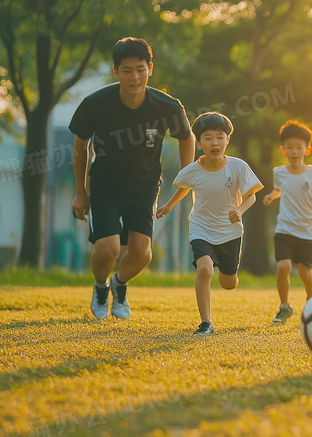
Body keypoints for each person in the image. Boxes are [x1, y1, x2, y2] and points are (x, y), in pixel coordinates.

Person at [70, 37, 194, 320]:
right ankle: (101, 287)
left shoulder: (167, 106)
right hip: (105, 185)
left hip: (145, 186)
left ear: (150, 68)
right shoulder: (96, 104)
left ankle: (119, 284)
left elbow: (187, 138)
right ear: (115, 71)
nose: (134, 76)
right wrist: (80, 191)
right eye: (126, 70)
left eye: (140, 69)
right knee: (108, 249)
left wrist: (187, 176)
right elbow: (80, 145)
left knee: (141, 253)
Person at [156, 112, 263, 335]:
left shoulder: (238, 166)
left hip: (230, 231)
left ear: (227, 140)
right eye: (208, 137)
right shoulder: (192, 170)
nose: (214, 142)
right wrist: (169, 205)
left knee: (228, 283)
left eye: (219, 137)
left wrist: (239, 210)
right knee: (204, 269)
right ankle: (206, 323)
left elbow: (252, 195)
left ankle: (230, 272)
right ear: (198, 142)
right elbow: (184, 186)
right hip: (201, 228)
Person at [263, 120, 312, 324]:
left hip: (309, 232)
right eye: (290, 147)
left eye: (298, 147)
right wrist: (271, 195)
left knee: (306, 271)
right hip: (285, 228)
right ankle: (284, 306)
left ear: (307, 149)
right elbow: (280, 189)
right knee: (283, 266)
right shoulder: (279, 172)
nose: (294, 151)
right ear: (282, 149)